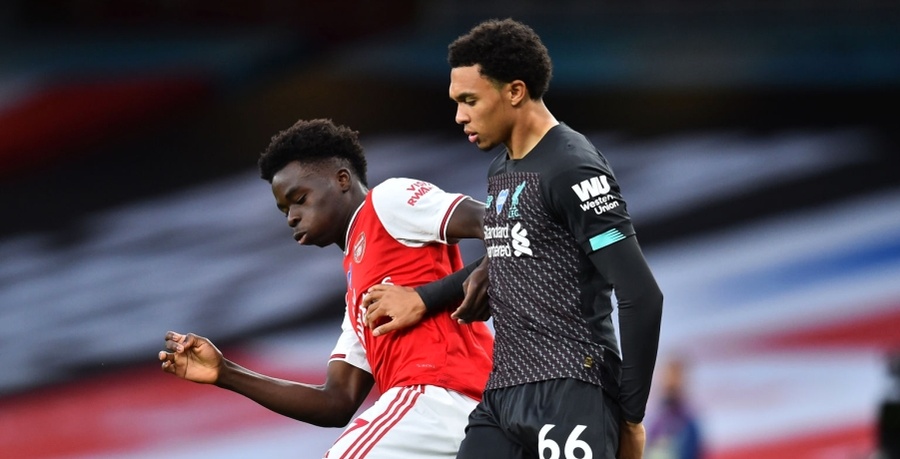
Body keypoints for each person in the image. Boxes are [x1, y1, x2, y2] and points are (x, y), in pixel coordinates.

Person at [362, 18, 663, 459]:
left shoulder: (573, 167)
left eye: (469, 100)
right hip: (503, 395)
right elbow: (514, 254)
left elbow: (641, 295)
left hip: (570, 389)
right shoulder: (501, 169)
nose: (459, 116)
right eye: (456, 102)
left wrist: (631, 417)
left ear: (515, 91)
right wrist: (425, 298)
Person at [158, 118, 495, 458]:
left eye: (299, 198)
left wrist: (424, 298)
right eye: (285, 209)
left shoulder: (387, 200)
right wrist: (225, 373)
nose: (291, 216)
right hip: (471, 420)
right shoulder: (357, 295)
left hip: (440, 397)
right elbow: (336, 401)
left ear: (342, 179)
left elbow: (505, 229)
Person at [645, 358, 704, 459]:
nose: (669, 384)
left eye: (673, 386)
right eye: (666, 380)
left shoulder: (689, 423)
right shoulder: (653, 420)